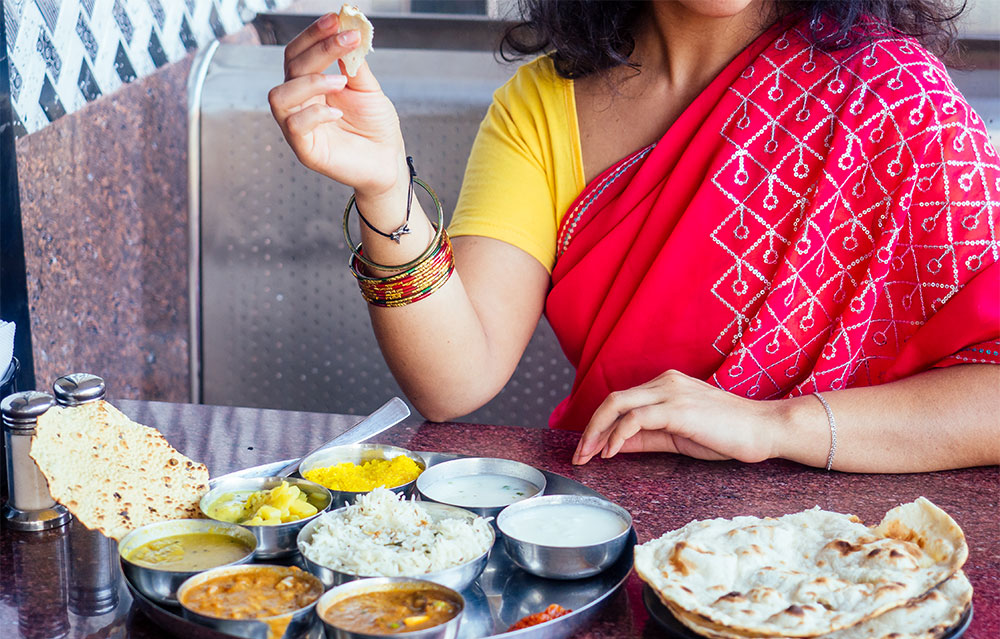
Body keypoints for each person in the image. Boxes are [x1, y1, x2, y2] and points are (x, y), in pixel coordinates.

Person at [268, 0, 999, 473]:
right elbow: (456, 379)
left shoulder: (898, 102)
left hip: (858, 564)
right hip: (619, 548)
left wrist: (776, 426)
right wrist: (384, 186)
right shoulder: (542, 106)